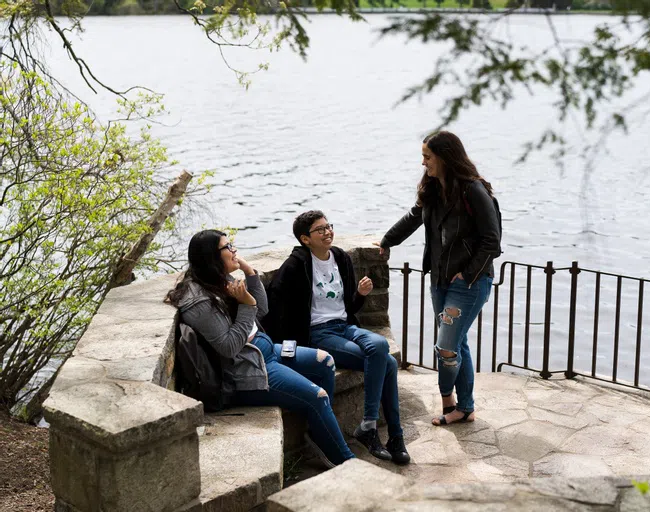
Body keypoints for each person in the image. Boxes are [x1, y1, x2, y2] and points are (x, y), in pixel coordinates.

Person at [165, 229, 355, 468]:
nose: (234, 250)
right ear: (211, 256)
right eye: (228, 247)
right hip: (246, 370)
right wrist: (246, 304)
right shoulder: (200, 301)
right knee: (317, 396)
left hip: (265, 351)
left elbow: (261, 309)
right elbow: (229, 347)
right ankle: (345, 461)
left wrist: (249, 273)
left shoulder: (219, 280)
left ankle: (320, 435)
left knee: (325, 362)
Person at [264, 211, 410, 465]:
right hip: (319, 334)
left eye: (328, 227)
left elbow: (349, 308)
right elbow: (277, 305)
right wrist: (290, 346)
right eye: (319, 230)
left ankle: (374, 427)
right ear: (305, 239)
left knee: (379, 345)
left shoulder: (340, 257)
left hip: (345, 327)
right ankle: (388, 433)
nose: (327, 232)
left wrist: (361, 295)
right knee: (386, 362)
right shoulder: (296, 265)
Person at [378, 131, 501, 426]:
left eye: (428, 157)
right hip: (439, 280)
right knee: (457, 344)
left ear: (445, 158)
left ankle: (449, 400)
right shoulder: (432, 189)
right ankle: (462, 407)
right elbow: (413, 217)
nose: (423, 163)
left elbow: (492, 241)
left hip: (469, 283)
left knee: (446, 347)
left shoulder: (473, 191)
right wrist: (387, 241)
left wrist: (468, 273)